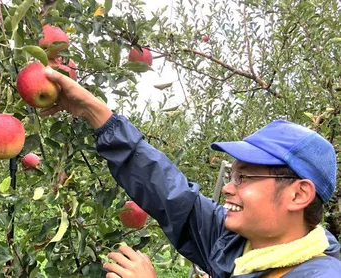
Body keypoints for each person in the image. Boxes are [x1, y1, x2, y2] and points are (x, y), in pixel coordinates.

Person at [42, 66, 341, 278]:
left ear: (298, 194)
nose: (227, 188)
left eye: (244, 177)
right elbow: (170, 193)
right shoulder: (234, 244)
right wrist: (95, 112)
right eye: (231, 175)